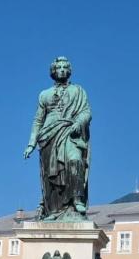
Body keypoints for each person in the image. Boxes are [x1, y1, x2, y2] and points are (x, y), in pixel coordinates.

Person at [23, 56, 92, 221]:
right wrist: (31, 144)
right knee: (50, 175)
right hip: (48, 135)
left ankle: (76, 199)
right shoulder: (44, 95)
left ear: (68, 71)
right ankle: (53, 210)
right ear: (53, 72)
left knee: (74, 160)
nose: (61, 70)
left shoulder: (78, 91)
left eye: (64, 67)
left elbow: (87, 112)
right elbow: (38, 120)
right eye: (58, 67)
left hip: (69, 132)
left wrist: (79, 122)